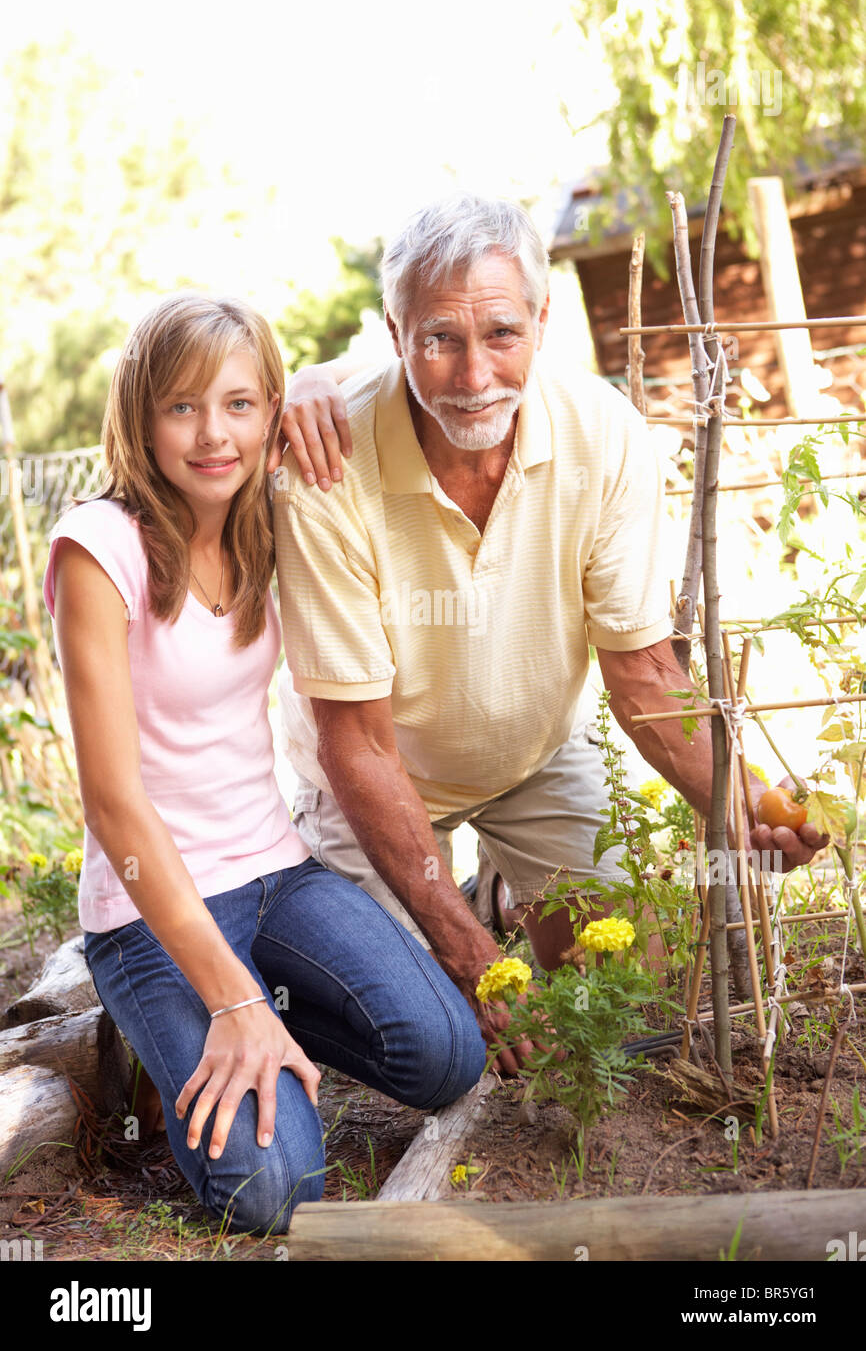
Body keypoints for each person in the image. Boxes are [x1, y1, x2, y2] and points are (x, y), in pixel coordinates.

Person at [270, 192, 828, 1053]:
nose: (472, 376)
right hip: (376, 784)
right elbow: (360, 745)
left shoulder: (603, 435)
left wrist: (744, 803)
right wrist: (468, 957)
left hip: (535, 758)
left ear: (542, 317)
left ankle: (503, 884)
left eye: (500, 334)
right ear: (394, 333)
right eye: (439, 340)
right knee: (431, 1040)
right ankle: (462, 913)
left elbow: (643, 673)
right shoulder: (326, 469)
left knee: (619, 989)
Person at [42, 293, 486, 1235]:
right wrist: (232, 996)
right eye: (183, 407)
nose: (214, 435)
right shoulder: (100, 549)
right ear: (142, 415)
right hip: (148, 914)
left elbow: (382, 357)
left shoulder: (266, 510)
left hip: (276, 874)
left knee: (449, 1053)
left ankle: (253, 1017)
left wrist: (317, 382)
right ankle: (200, 1039)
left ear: (271, 412)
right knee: (275, 1191)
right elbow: (113, 806)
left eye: (242, 405)